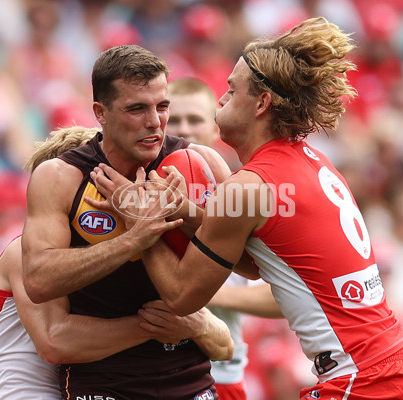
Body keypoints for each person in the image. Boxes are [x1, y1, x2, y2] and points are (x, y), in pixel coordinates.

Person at [92, 18, 403, 400]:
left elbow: (182, 297)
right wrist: (186, 212)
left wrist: (141, 222)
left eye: (232, 91)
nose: (221, 97)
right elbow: (257, 263)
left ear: (262, 103)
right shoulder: (311, 159)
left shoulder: (250, 186)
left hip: (362, 377)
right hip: (391, 359)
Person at [21, 45, 232, 399]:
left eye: (162, 106)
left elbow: (253, 263)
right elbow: (39, 280)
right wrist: (133, 238)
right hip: (104, 384)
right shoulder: (60, 177)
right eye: (136, 109)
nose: (155, 122)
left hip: (192, 381)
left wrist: (183, 211)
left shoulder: (202, 162)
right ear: (100, 113)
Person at [0, 126, 233, 399]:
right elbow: (54, 341)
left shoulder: (105, 253)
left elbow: (223, 344)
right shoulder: (24, 253)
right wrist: (159, 326)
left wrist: (196, 326)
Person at [167, 77, 283, 400]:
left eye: (195, 119)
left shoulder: (241, 197)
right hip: (154, 376)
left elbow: (284, 295)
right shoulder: (142, 194)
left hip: (221, 374)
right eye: (174, 120)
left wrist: (194, 296)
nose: (185, 129)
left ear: (215, 127)